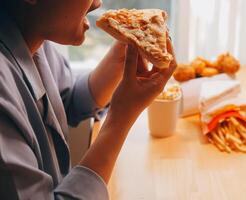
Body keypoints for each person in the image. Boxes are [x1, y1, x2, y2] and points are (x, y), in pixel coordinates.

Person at [0, 0, 176, 199]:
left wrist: (121, 59)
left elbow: (67, 101)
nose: (98, 3)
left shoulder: (34, 36)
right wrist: (120, 119)